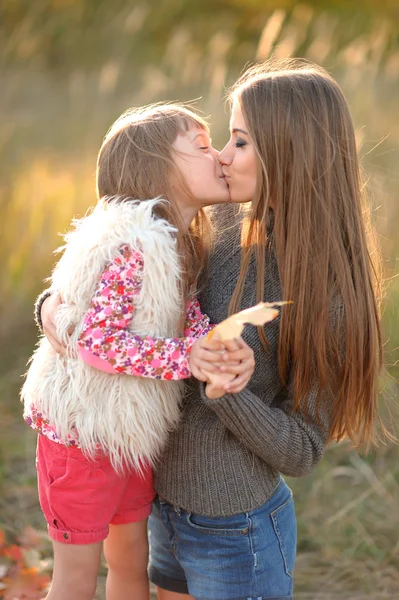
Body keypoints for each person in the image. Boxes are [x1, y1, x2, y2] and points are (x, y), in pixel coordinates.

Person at [39, 59, 387, 600]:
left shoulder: (326, 294)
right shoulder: (216, 224)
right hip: (159, 503)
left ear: (289, 153)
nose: (222, 155)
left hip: (234, 532)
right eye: (225, 139)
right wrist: (52, 310)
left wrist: (230, 389)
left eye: (240, 141)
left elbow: (302, 450)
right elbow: (114, 289)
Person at [22, 103, 256, 600]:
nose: (218, 155)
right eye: (200, 146)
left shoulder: (180, 243)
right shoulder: (133, 244)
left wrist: (209, 346)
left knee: (132, 562)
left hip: (129, 433)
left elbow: (176, 314)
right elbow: (97, 342)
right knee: (78, 575)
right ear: (157, 169)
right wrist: (187, 358)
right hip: (82, 435)